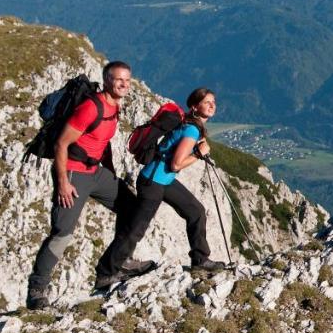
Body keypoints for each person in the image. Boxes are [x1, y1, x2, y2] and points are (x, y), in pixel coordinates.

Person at [26, 61, 157, 309]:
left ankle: (117, 264)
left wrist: (109, 173)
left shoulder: (114, 107)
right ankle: (37, 289)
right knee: (62, 232)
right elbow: (61, 144)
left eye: (128, 80)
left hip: (96, 171)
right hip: (74, 173)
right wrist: (63, 182)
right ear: (107, 80)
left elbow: (102, 142)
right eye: (119, 79)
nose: (124, 84)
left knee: (132, 208)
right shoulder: (90, 107)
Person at [113, 87, 230, 275]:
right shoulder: (191, 129)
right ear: (194, 106)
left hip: (161, 180)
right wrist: (199, 154)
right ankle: (113, 268)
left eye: (213, 102)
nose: (212, 105)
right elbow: (176, 164)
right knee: (138, 226)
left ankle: (200, 259)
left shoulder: (189, 124)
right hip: (154, 182)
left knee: (196, 211)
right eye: (206, 102)